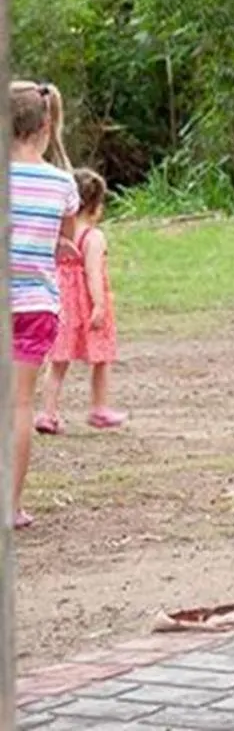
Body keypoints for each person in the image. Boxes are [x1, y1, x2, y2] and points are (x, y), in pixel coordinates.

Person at [10, 81, 78, 528]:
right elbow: (66, 244)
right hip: (35, 305)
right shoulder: (62, 183)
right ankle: (9, 506)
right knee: (19, 406)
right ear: (46, 124)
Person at [37, 167, 127, 434]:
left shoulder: (60, 234)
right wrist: (99, 305)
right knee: (101, 358)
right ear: (95, 206)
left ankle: (47, 413)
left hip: (59, 304)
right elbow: (93, 274)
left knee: (58, 361)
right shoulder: (94, 237)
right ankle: (99, 407)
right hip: (85, 306)